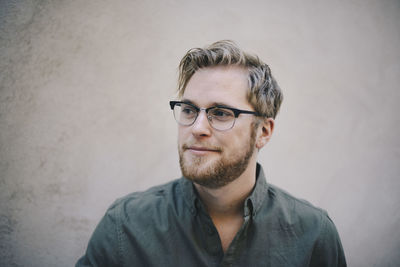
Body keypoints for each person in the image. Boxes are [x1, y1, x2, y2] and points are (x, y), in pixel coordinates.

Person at [76, 40, 346, 267]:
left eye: (221, 113)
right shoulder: (126, 227)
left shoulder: (313, 235)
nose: (197, 128)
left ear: (263, 131)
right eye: (189, 110)